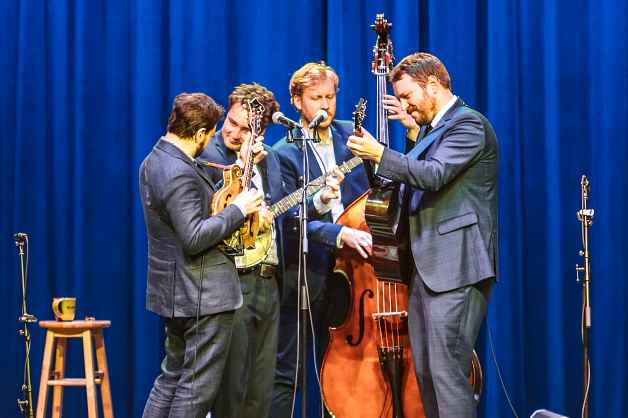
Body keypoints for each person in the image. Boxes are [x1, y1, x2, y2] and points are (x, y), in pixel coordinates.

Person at [347, 52, 498, 418]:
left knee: (447, 378)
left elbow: (432, 175)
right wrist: (375, 159)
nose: (403, 105)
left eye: (406, 95)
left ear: (432, 85)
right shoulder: (431, 133)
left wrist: (382, 152)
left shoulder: (469, 125)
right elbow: (404, 183)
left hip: (456, 270)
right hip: (426, 271)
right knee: (428, 377)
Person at [201, 83, 341, 418]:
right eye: (230, 123)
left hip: (269, 283)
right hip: (231, 284)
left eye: (244, 128)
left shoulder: (273, 161)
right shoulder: (210, 158)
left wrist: (319, 200)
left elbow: (286, 213)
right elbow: (213, 218)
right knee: (231, 389)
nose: (232, 132)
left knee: (261, 389)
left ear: (261, 132)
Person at [139, 92, 264, 418]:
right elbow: (194, 237)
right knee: (196, 391)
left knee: (171, 378)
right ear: (198, 134)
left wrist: (241, 166)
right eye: (209, 134)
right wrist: (238, 209)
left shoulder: (156, 159)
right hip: (202, 295)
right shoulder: (178, 172)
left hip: (179, 292)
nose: (210, 141)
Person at [270, 62, 372, 418]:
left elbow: (382, 186)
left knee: (348, 367)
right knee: (290, 373)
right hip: (308, 273)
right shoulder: (283, 152)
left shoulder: (353, 136)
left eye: (330, 97)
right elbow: (287, 221)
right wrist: (338, 232)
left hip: (359, 275)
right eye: (316, 98)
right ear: (297, 101)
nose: (325, 106)